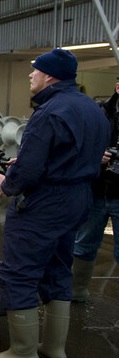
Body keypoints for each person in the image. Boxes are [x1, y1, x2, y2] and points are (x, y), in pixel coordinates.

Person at [0, 49, 109, 358]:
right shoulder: (93, 109)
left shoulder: (49, 112)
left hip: (45, 202)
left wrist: (7, 184)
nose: (30, 76)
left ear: (50, 76)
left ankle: (23, 352)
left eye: (34, 71)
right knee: (57, 267)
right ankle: (54, 350)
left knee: (19, 271)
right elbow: (82, 155)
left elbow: (29, 171)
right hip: (79, 197)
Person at [72, 77, 119, 302]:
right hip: (96, 190)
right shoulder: (96, 112)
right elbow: (75, 146)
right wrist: (94, 156)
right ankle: (76, 292)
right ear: (117, 87)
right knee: (84, 243)